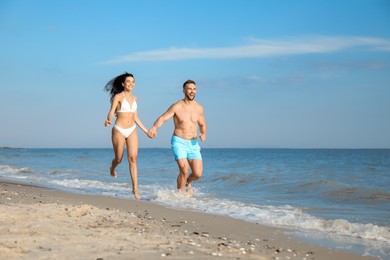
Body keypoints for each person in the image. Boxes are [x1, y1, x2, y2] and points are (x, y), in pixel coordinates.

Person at [148, 79, 207, 195]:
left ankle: (187, 182)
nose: (192, 91)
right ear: (184, 91)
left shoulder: (199, 108)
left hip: (193, 143)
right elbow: (163, 118)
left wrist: (203, 133)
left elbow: (203, 124)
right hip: (179, 142)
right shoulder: (177, 106)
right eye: (189, 89)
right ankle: (180, 196)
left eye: (194, 89)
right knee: (184, 170)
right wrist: (154, 128)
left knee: (197, 173)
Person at [104, 72, 150, 199]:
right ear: (123, 84)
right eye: (128, 81)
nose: (131, 84)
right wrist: (108, 120)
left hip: (132, 130)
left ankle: (135, 189)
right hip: (119, 129)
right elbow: (111, 112)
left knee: (133, 158)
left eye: (133, 82)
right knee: (119, 158)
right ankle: (112, 168)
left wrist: (147, 131)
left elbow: (136, 117)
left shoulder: (135, 98)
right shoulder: (118, 97)